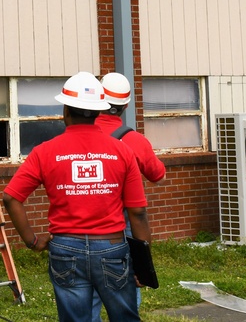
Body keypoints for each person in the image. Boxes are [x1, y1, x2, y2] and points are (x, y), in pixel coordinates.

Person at [2, 72, 151, 322]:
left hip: (65, 249)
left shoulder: (44, 152)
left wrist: (32, 241)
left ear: (65, 111)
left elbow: (11, 198)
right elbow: (137, 212)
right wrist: (144, 266)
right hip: (113, 248)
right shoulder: (122, 151)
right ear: (98, 112)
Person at [90, 72, 166, 321]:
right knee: (126, 295)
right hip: (122, 228)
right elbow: (158, 174)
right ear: (125, 105)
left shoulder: (78, 135)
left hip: (79, 228)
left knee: (85, 302)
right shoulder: (134, 140)